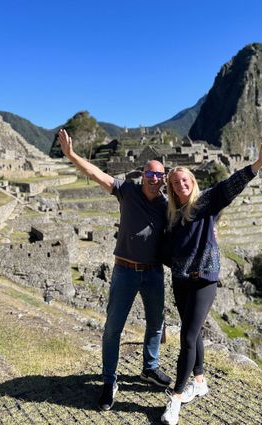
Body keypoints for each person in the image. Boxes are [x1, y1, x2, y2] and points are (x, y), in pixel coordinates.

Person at [57, 129, 172, 412]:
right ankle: (110, 380)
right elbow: (97, 174)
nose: (154, 178)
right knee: (112, 329)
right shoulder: (127, 190)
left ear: (164, 178)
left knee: (155, 323)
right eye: (150, 173)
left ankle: (150, 367)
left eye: (159, 175)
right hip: (125, 271)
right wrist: (71, 154)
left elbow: (193, 211)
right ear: (142, 175)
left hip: (154, 272)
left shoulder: (167, 205)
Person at [161, 136, 262, 425]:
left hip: (203, 280)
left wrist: (257, 164)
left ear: (192, 182)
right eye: (175, 183)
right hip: (181, 281)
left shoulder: (205, 202)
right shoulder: (171, 217)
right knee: (193, 334)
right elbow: (166, 251)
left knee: (186, 336)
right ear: (171, 189)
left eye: (184, 181)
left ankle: (175, 397)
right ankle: (200, 380)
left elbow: (229, 187)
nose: (180, 186)